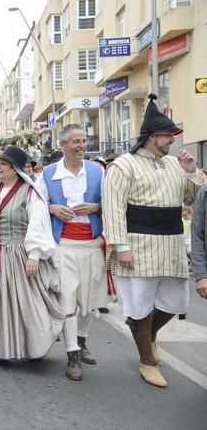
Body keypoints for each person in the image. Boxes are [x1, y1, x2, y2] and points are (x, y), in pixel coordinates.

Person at [102, 94, 205, 388]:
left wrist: (192, 172)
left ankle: (146, 333)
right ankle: (147, 360)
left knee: (176, 302)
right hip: (138, 244)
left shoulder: (175, 164)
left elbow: (191, 198)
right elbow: (113, 208)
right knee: (139, 304)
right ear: (151, 136)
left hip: (172, 243)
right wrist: (121, 247)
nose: (172, 140)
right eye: (167, 135)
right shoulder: (123, 165)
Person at [0, 146, 65, 363]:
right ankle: (0, 351)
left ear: (15, 169)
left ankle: (35, 348)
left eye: (3, 165)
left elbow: (38, 225)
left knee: (25, 304)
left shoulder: (30, 193)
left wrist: (34, 255)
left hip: (18, 254)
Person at [36, 123, 107, 381]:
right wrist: (53, 209)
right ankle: (72, 353)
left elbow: (113, 202)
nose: (81, 145)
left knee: (88, 301)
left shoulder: (97, 170)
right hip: (63, 245)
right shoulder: (46, 174)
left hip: (92, 244)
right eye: (76, 141)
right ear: (62, 145)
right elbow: (34, 207)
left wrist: (97, 206)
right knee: (67, 299)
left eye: (84, 140)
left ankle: (82, 340)